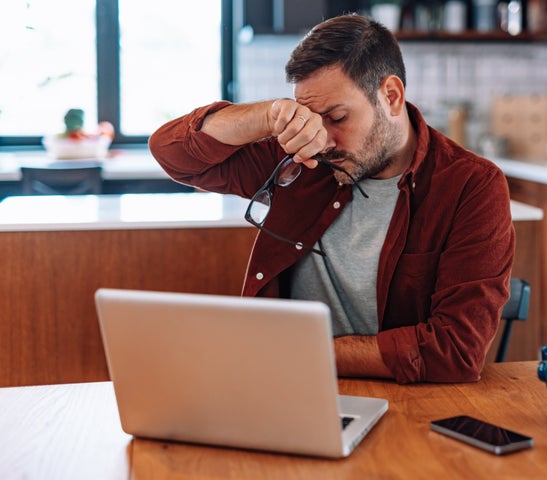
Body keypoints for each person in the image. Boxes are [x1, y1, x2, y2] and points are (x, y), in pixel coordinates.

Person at [149, 13, 515, 384]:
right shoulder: (302, 158)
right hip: (288, 388)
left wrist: (302, 353)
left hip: (407, 399)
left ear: (391, 96)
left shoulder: (472, 187)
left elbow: (457, 350)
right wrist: (270, 115)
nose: (321, 139)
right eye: (309, 118)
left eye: (337, 117)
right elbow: (172, 153)